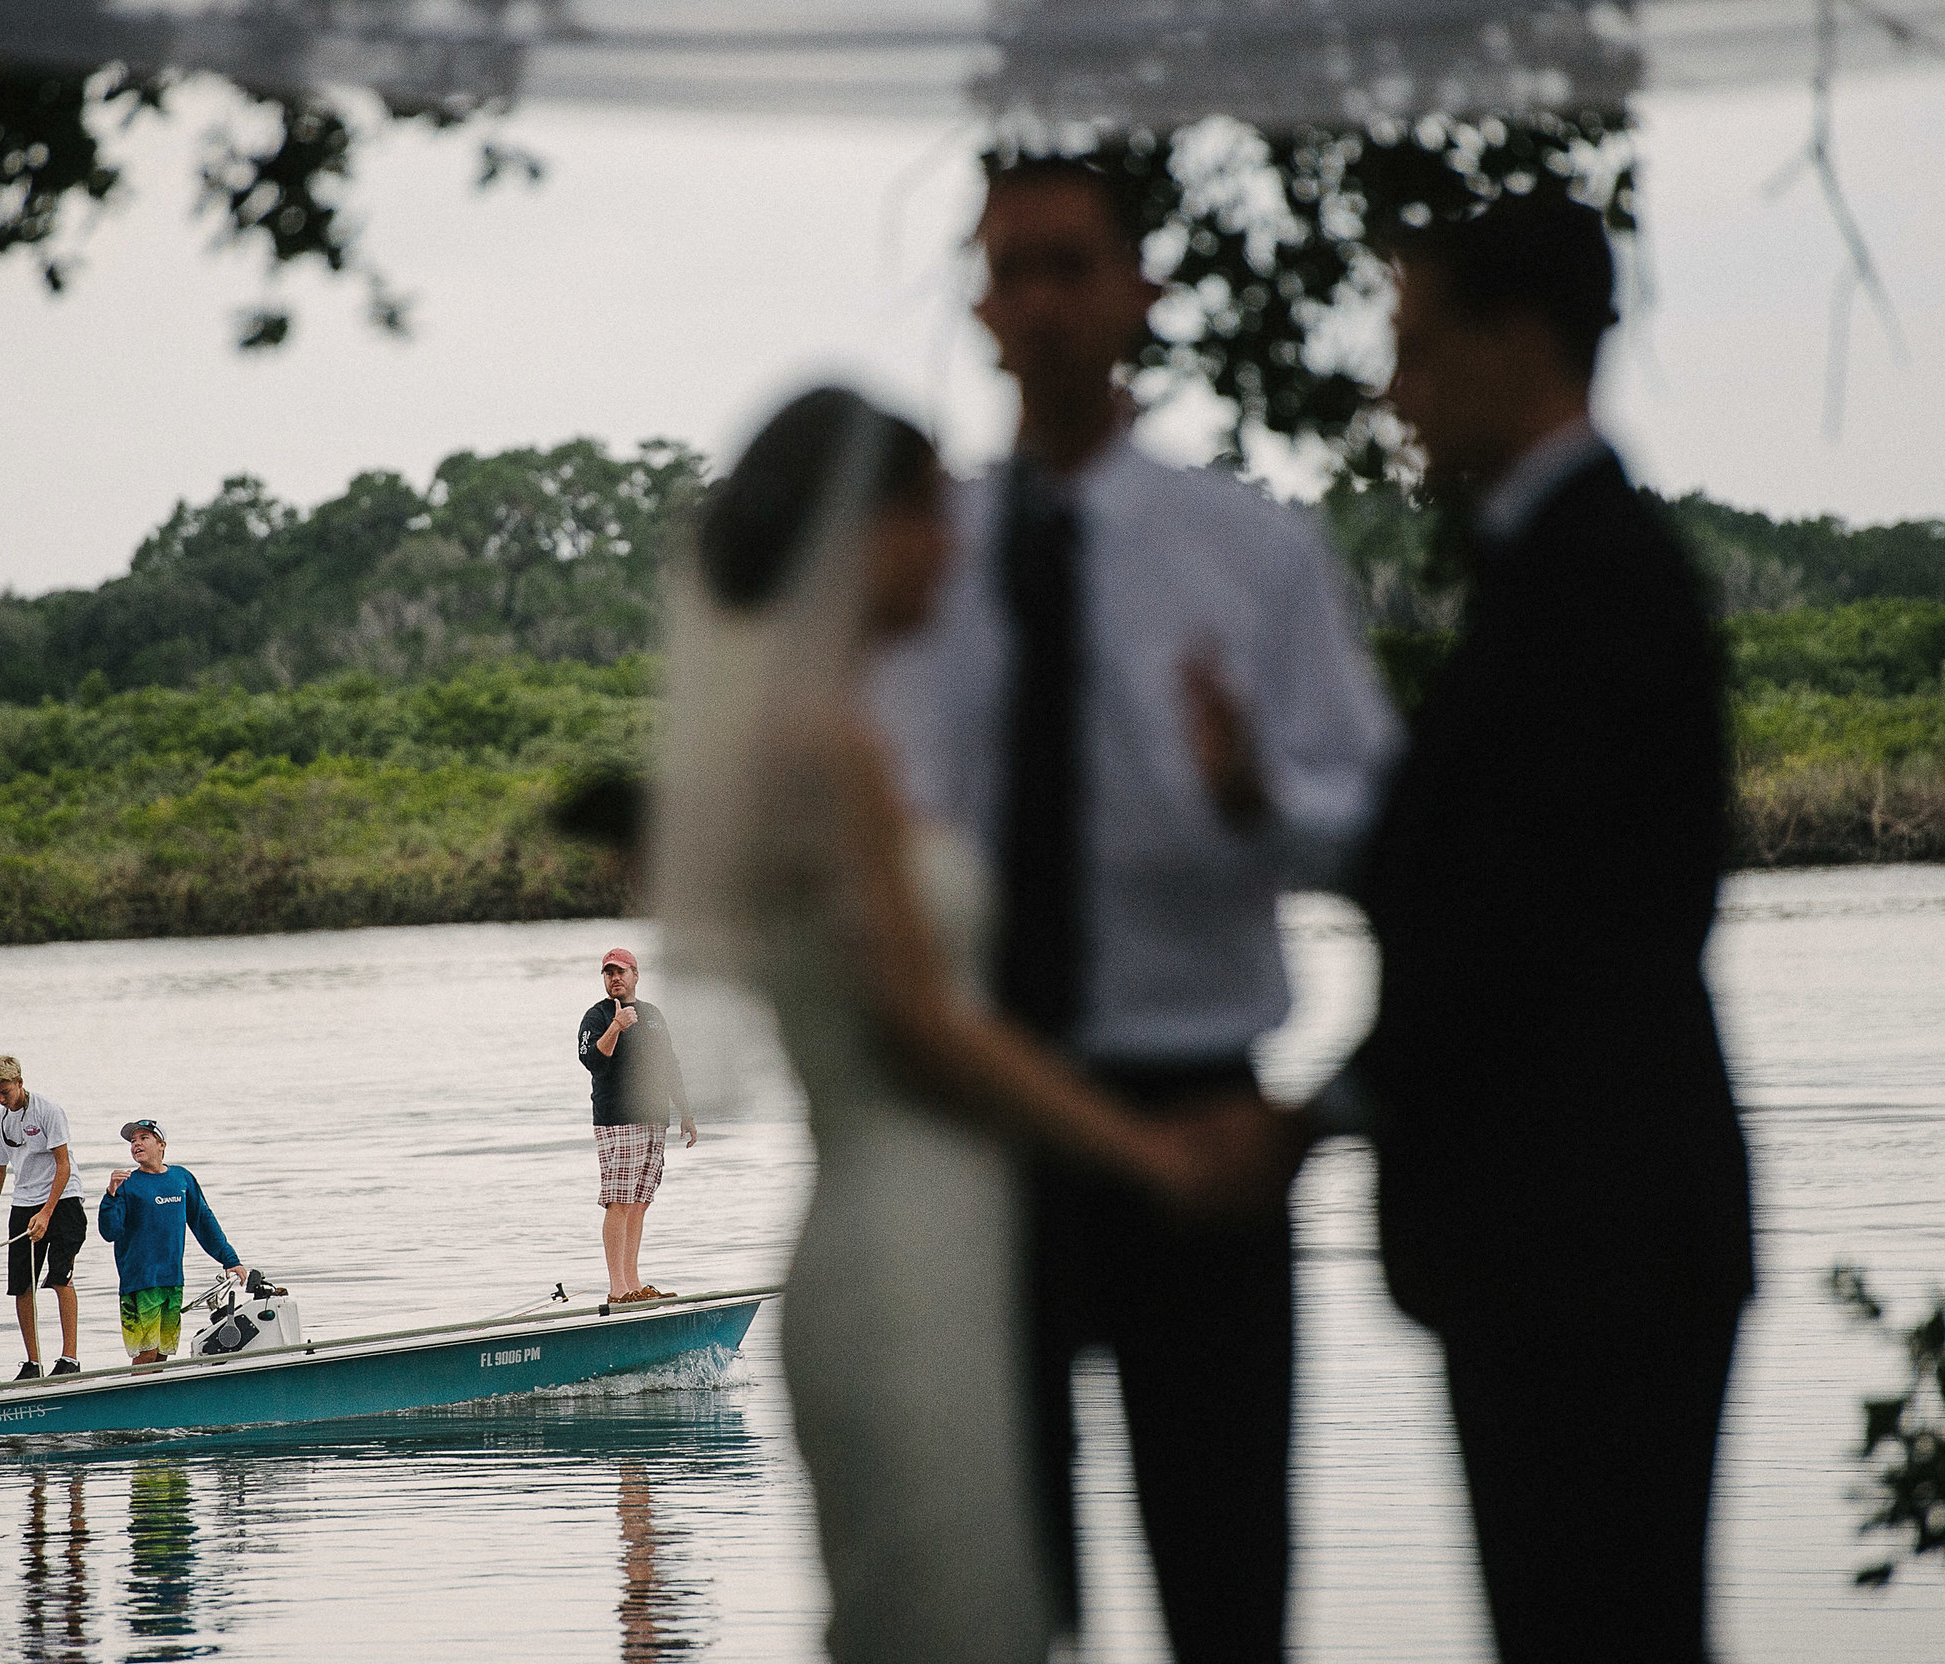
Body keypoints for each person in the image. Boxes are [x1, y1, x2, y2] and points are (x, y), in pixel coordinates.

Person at [654, 385, 1298, 1664]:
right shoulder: (822, 753)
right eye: (927, 518)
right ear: (860, 533)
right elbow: (921, 1023)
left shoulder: (835, 743)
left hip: (932, 1233)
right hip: (908, 1250)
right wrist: (1154, 1153)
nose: (953, 545)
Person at [867, 152, 1399, 1661]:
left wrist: (1261, 805)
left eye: (1068, 266)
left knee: (1228, 1593)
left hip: (1201, 1137)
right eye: (1007, 267)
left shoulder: (1251, 550)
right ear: (979, 298)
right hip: (982, 1144)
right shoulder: (926, 561)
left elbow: (1390, 841)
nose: (1035, 301)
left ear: (1139, 294)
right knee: (1001, 1603)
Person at [1310, 196, 1754, 1664]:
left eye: (1420, 350)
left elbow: (1527, 935)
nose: (1397, 393)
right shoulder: (1569, 570)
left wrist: (1323, 1110)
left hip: (1591, 1247)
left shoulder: (1590, 584)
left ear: (1517, 344)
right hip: (1581, 1239)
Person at [577, 946, 696, 1302]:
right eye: (608, 973)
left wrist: (685, 1112)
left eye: (621, 972)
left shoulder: (653, 1015)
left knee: (641, 1200)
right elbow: (592, 1061)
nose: (615, 978)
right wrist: (617, 1025)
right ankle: (618, 1289)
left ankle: (633, 1282)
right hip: (617, 1119)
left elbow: (669, 1064)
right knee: (620, 1200)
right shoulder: (596, 1017)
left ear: (635, 975)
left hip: (653, 1117)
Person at [0, 1054, 89, 1378]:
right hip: (23, 1202)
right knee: (22, 1286)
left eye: (4, 1092)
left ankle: (70, 1359)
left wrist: (47, 1213)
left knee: (60, 1276)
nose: (0, 1099)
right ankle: (33, 1363)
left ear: (19, 1082)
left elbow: (62, 1165)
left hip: (62, 1198)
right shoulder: (1, 1121)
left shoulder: (48, 1110)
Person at [97, 1117, 247, 1364]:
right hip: (140, 1283)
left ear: (161, 1145)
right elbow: (109, 1232)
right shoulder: (127, 1184)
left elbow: (203, 1221)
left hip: (172, 1280)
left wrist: (229, 1259)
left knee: (162, 1353)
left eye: (144, 1138)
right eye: (133, 1141)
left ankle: (154, 1401)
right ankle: (137, 1401)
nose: (136, 1144)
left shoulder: (181, 1178)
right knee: (146, 1353)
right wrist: (110, 1195)